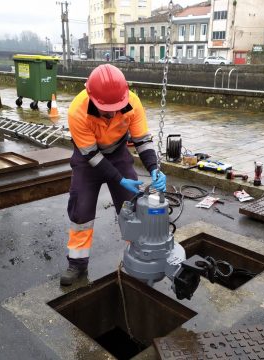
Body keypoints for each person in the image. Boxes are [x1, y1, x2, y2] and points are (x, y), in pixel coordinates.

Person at [60, 64, 166, 286]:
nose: (111, 113)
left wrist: (154, 168)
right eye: (106, 109)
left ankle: (138, 258)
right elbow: (93, 157)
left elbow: (142, 140)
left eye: (116, 108)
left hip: (117, 152)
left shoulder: (133, 103)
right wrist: (119, 179)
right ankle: (77, 265)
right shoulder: (77, 111)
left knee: (131, 207)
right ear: (91, 97)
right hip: (88, 158)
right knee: (81, 210)